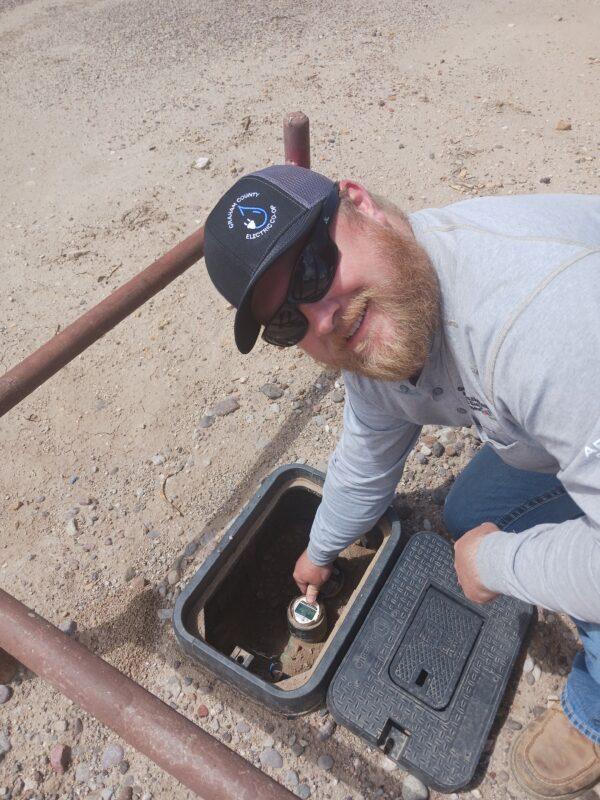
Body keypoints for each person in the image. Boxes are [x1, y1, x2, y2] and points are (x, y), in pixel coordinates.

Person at [203, 165, 600, 798]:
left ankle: (594, 710)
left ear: (359, 203)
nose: (322, 317)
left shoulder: (544, 327)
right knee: (471, 510)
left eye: (310, 268)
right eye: (286, 323)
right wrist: (320, 549)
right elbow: (366, 455)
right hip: (562, 420)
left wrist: (498, 563)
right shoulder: (386, 307)